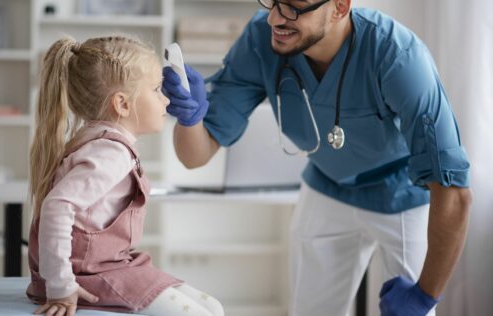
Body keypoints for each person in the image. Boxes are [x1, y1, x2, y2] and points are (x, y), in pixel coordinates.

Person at [162, 0, 472, 315]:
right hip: (327, 185)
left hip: (402, 193)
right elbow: (194, 156)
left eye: (294, 7)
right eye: (273, 1)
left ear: (339, 6)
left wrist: (425, 295)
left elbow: (454, 192)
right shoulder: (260, 38)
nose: (275, 18)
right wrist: (190, 118)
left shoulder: (397, 56)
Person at [26, 35, 224, 316]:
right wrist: (61, 285)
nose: (166, 98)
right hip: (87, 273)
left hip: (112, 263)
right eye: (156, 90)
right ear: (122, 104)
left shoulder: (102, 141)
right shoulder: (110, 153)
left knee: (212, 308)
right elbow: (57, 206)